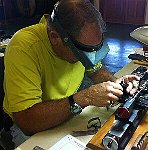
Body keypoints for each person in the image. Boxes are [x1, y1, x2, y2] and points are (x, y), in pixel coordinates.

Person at [3, 0, 139, 147]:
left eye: (93, 49)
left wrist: (116, 83)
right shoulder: (24, 47)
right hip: (31, 128)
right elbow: (27, 122)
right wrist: (84, 97)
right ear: (55, 37)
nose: (89, 57)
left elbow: (96, 70)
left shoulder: (81, 42)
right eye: (83, 53)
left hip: (68, 113)